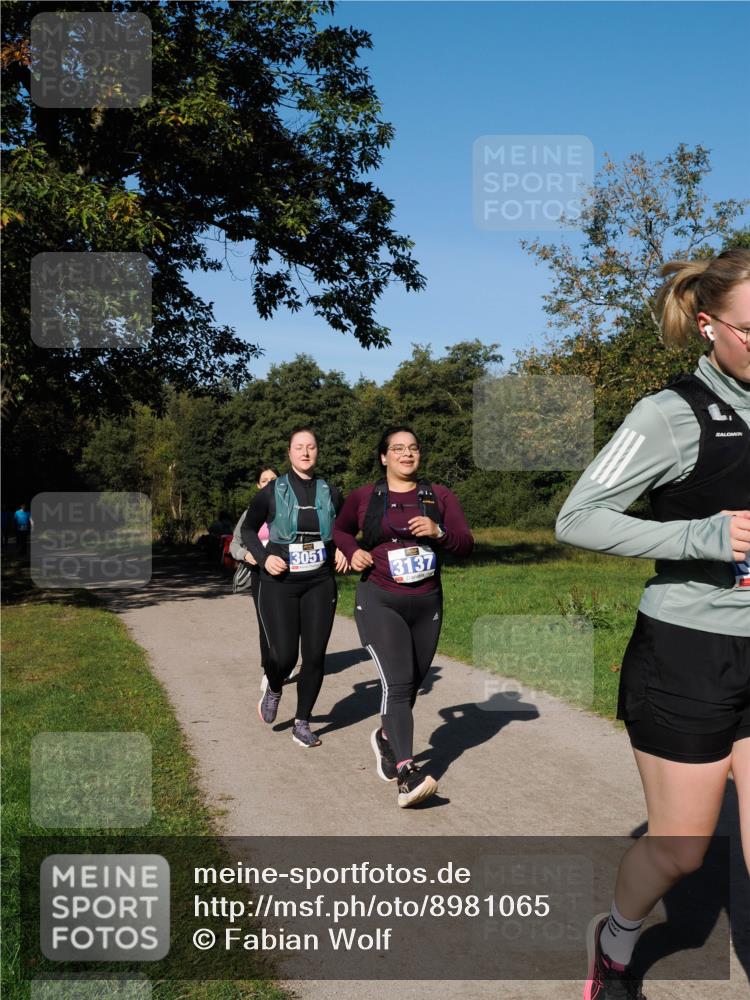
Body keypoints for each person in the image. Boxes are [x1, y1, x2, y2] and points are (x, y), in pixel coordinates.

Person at [555, 248, 750, 1000]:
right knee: (681, 852)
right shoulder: (669, 415)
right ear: (708, 326)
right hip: (689, 654)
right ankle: (615, 941)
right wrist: (700, 536)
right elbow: (578, 517)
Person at [333, 426, 474, 808]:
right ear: (384, 457)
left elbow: (465, 543)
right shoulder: (365, 496)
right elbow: (340, 530)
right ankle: (407, 773)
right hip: (380, 600)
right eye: (397, 449)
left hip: (427, 604)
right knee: (397, 683)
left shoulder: (439, 496)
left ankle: (385, 738)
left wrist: (438, 531)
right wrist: (352, 550)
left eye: (413, 448)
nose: (406, 454)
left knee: (411, 683)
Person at [241, 429, 346, 748]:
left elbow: (343, 529)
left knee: (314, 655)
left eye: (311, 447)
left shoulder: (331, 491)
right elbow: (248, 530)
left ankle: (302, 722)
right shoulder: (271, 492)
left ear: (317, 451)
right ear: (289, 452)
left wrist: (344, 548)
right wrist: (264, 558)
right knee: (285, 656)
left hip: (319, 581)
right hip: (280, 582)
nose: (305, 452)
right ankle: (274, 687)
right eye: (299, 447)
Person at [229, 468, 278, 682]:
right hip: (260, 573)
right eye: (264, 480)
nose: (269, 483)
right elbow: (234, 544)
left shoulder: (292, 510)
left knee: (289, 623)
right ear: (258, 486)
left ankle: (284, 659)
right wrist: (246, 555)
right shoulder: (250, 513)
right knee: (265, 622)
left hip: (288, 574)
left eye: (273, 479)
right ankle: (269, 669)